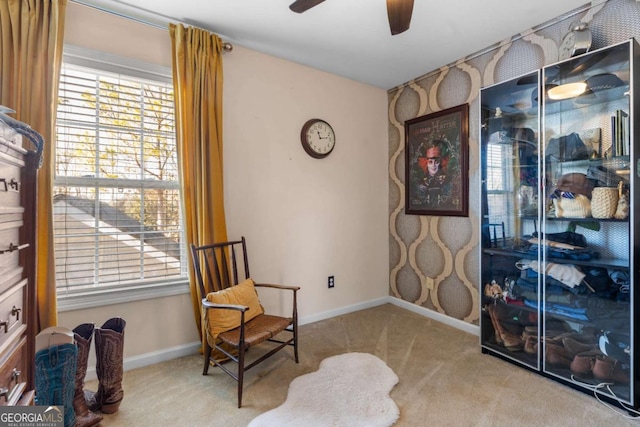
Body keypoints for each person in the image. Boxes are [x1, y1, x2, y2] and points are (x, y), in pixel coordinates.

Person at [415, 139, 454, 209]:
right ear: (426, 163)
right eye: (430, 162)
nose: (433, 165)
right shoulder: (421, 183)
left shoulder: (448, 181)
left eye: (436, 162)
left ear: (440, 163)